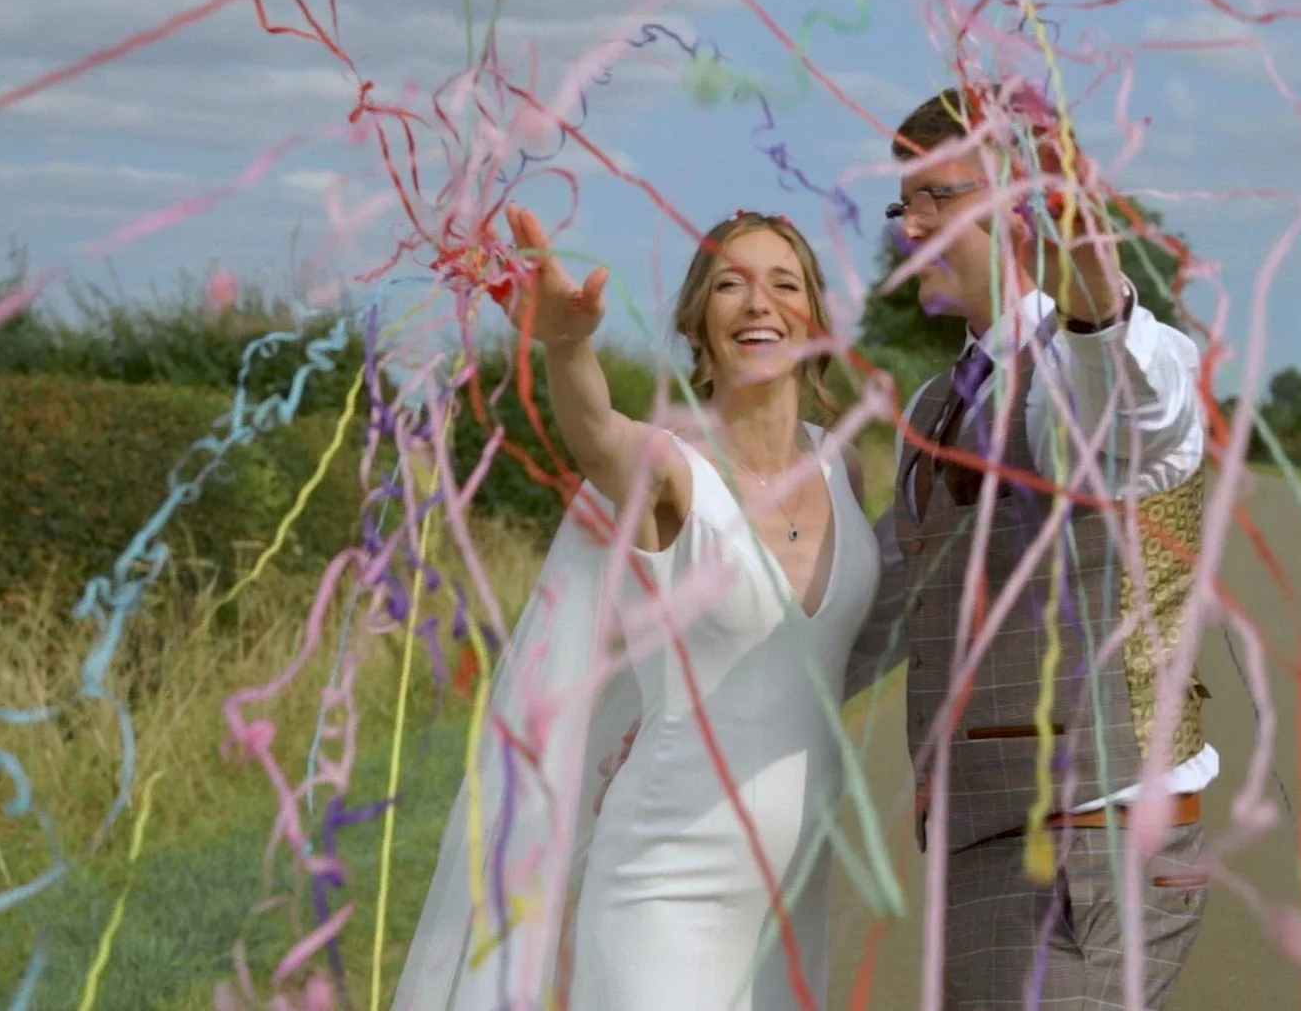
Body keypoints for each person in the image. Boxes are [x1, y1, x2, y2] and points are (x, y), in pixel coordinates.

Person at [393, 207, 880, 1010]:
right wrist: (566, 345)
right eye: (731, 285)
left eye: (784, 284)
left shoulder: (845, 468)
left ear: (815, 318)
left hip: (795, 895)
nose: (759, 304)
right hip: (664, 886)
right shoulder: (668, 468)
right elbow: (597, 434)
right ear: (697, 322)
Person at [846, 84, 1215, 1009]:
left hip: (1094, 842)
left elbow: (1121, 412)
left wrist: (1093, 287)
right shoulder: (935, 404)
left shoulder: (1093, 364)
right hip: (986, 844)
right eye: (902, 203)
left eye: (936, 198)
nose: (909, 227)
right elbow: (882, 609)